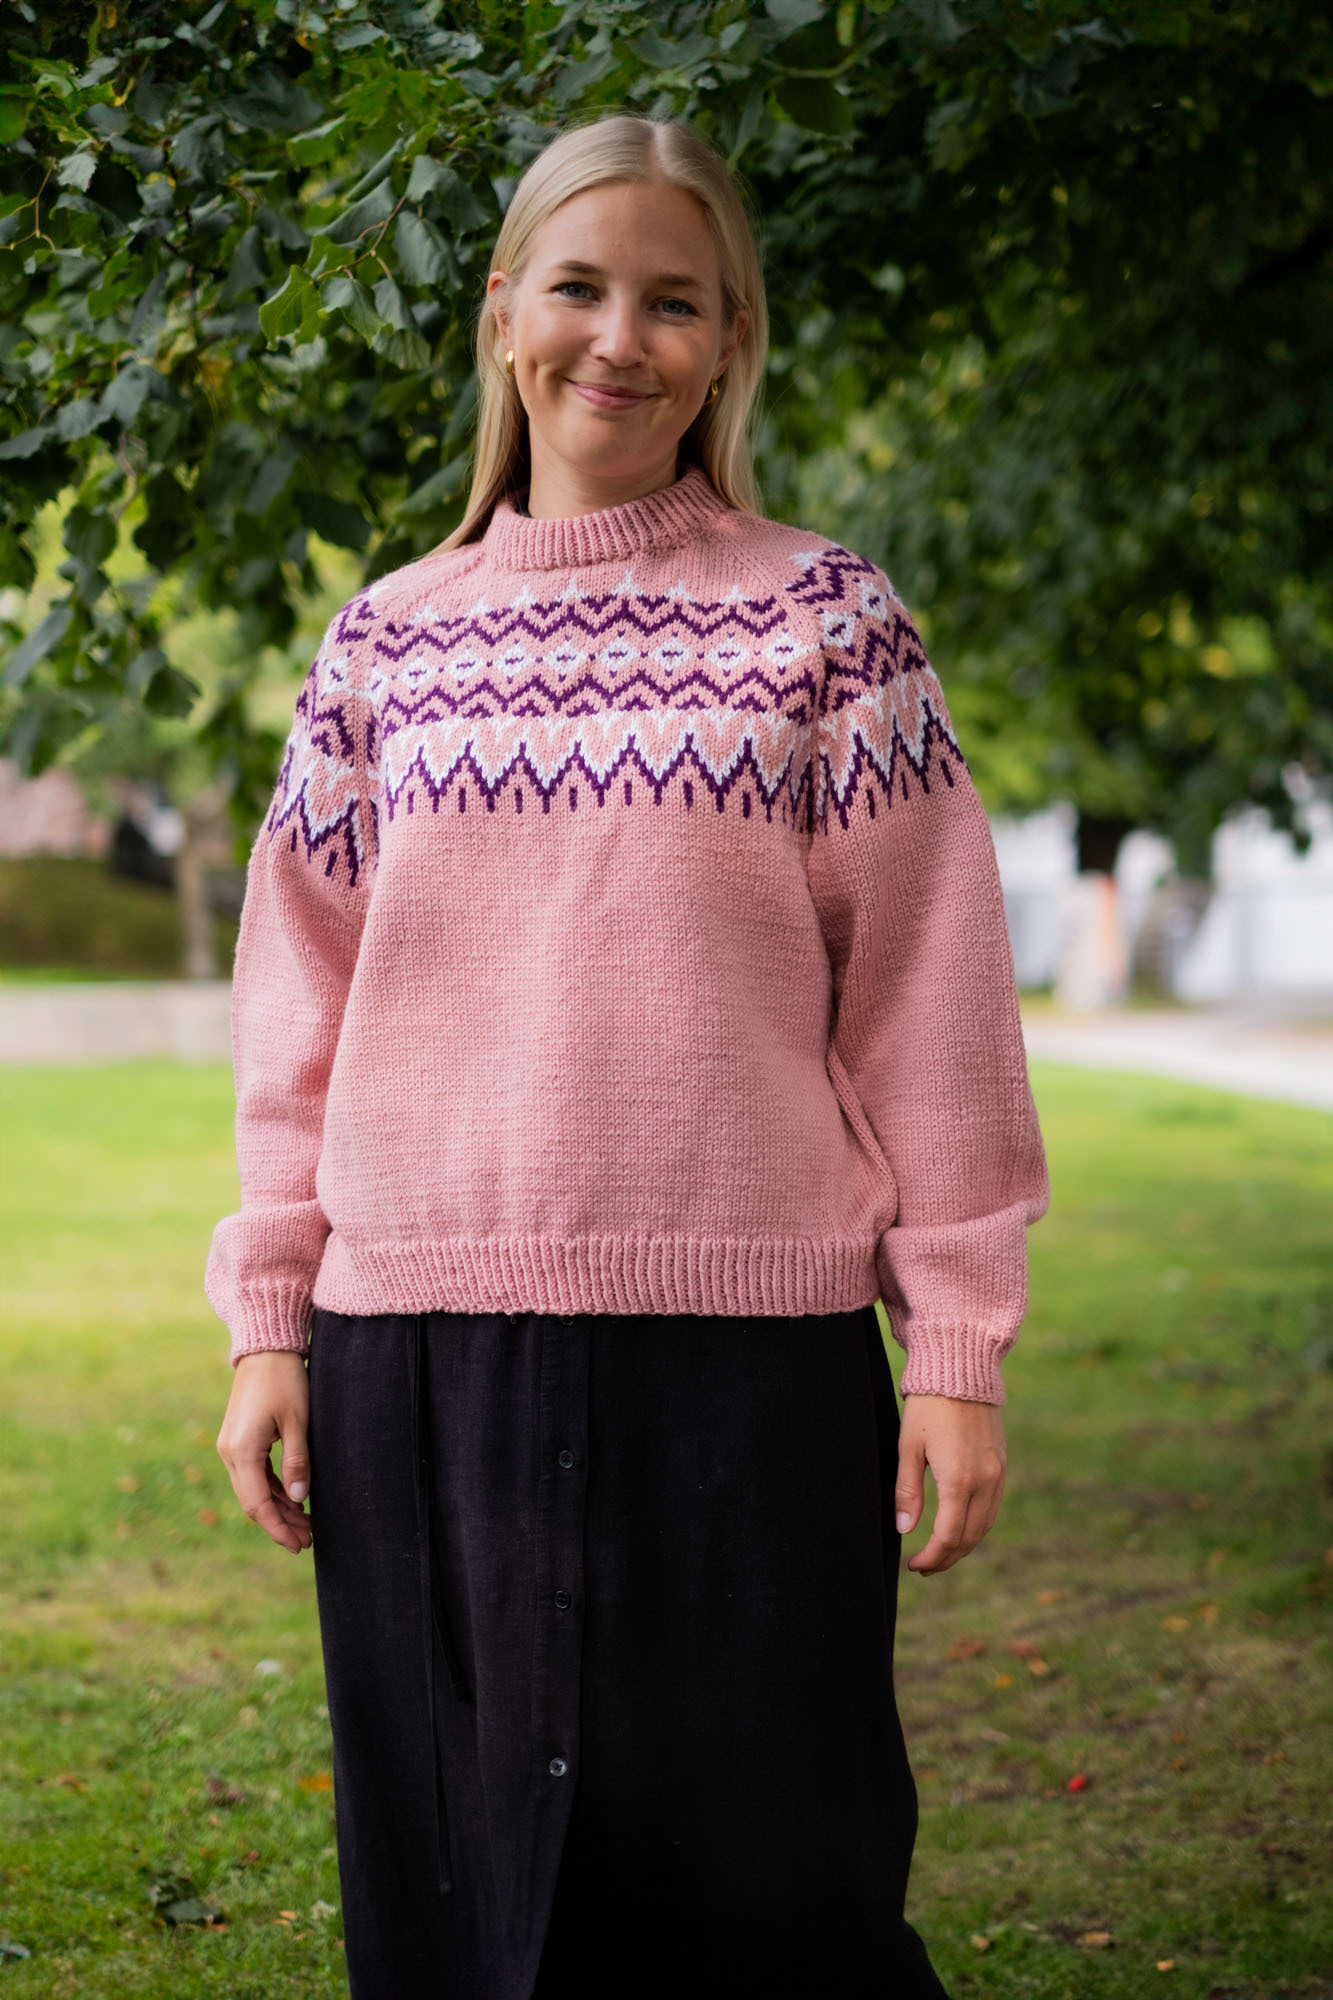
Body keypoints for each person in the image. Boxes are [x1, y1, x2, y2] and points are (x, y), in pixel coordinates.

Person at [207, 109, 1049, 2000]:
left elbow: (931, 997)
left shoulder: (825, 621)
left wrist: (956, 1346)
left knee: (776, 1894)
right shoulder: (383, 647)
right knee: (459, 1900)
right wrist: (269, 1320)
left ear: (731, 340)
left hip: (748, 1364)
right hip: (416, 1355)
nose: (620, 337)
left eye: (676, 301)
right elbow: (295, 1019)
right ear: (504, 312)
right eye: (579, 287)